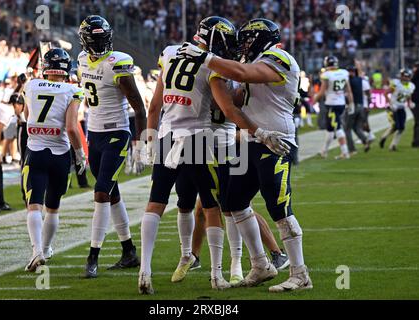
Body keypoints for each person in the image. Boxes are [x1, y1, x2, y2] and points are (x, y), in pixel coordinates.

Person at [139, 16, 288, 295]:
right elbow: (232, 109)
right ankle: (220, 269)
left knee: (167, 203)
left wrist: (147, 138)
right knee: (221, 205)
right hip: (208, 138)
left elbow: (154, 105)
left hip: (171, 136)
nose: (232, 47)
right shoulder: (216, 66)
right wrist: (261, 132)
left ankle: (149, 268)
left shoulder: (170, 53)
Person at [177, 17, 312, 292]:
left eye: (248, 39)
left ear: (262, 39)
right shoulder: (259, 60)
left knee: (278, 206)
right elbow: (240, 96)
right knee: (234, 201)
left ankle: (300, 273)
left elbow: (243, 74)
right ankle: (260, 264)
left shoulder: (278, 57)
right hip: (252, 139)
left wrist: (206, 57)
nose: (244, 45)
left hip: (275, 141)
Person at [78, 15, 147, 278]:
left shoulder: (118, 62)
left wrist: (140, 145)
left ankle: (92, 256)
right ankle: (129, 251)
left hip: (117, 134)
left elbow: (138, 107)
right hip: (94, 136)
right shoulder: (82, 61)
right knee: (112, 192)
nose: (99, 43)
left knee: (101, 192)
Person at [22, 48, 87, 271]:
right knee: (53, 208)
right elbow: (71, 127)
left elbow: (25, 115)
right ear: (66, 68)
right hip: (60, 154)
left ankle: (37, 250)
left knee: (34, 205)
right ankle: (47, 249)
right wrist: (80, 155)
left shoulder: (30, 85)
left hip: (36, 151)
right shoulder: (73, 90)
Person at [313, 56, 354, 159]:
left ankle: (345, 152)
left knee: (338, 127)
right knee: (330, 129)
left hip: (332, 104)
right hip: (341, 103)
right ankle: (324, 151)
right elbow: (348, 90)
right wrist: (351, 103)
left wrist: (315, 98)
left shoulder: (327, 75)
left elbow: (322, 92)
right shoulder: (344, 72)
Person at [380, 69, 416, 151]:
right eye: (404, 76)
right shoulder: (396, 84)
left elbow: (408, 95)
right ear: (401, 76)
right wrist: (390, 104)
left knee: (401, 128)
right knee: (396, 126)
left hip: (402, 108)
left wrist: (410, 102)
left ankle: (392, 145)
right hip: (394, 108)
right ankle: (385, 138)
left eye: (407, 76)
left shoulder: (411, 86)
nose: (405, 78)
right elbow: (385, 93)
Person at [344, 66, 370, 155]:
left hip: (353, 106)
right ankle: (365, 140)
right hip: (361, 106)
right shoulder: (360, 80)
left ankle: (352, 149)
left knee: (347, 129)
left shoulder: (349, 81)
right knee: (357, 127)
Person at [411, 62, 419, 148]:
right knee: (417, 123)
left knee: (417, 122)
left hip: (415, 102)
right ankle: (416, 142)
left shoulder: (414, 77)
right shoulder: (415, 77)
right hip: (417, 102)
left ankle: (415, 141)